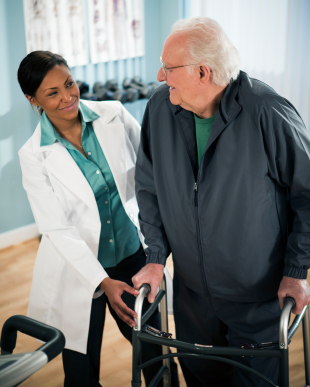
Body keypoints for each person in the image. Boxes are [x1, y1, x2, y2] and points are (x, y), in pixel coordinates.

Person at [132, 17, 310, 387]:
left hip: (255, 295)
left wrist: (296, 270)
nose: (161, 76)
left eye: (168, 67)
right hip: (192, 296)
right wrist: (154, 257)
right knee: (200, 378)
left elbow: (307, 195)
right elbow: (148, 187)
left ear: (202, 71)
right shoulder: (160, 109)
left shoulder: (266, 111)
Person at [17, 51, 178, 387]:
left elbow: (150, 173)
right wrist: (102, 282)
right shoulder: (33, 156)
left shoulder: (114, 116)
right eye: (52, 93)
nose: (67, 97)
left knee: (155, 354)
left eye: (69, 83)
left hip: (134, 258)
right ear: (34, 101)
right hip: (80, 272)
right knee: (80, 371)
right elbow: (56, 228)